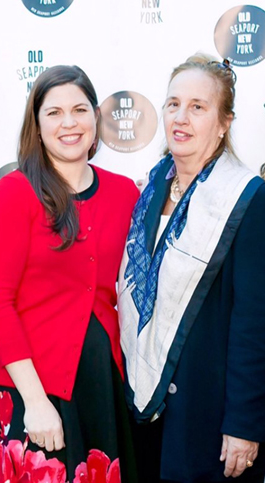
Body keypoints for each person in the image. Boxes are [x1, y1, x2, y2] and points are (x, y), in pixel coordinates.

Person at [0, 65, 139, 481]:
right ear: (36, 123)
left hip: (100, 385)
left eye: (80, 109)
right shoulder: (13, 193)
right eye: (54, 113)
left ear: (96, 118)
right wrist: (35, 401)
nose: (69, 123)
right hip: (30, 390)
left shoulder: (125, 194)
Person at [118, 53, 265, 482]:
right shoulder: (152, 187)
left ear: (223, 123)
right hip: (147, 409)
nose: (181, 117)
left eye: (198, 107)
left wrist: (243, 424)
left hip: (210, 413)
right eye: (173, 104)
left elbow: (253, 323)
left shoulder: (246, 199)